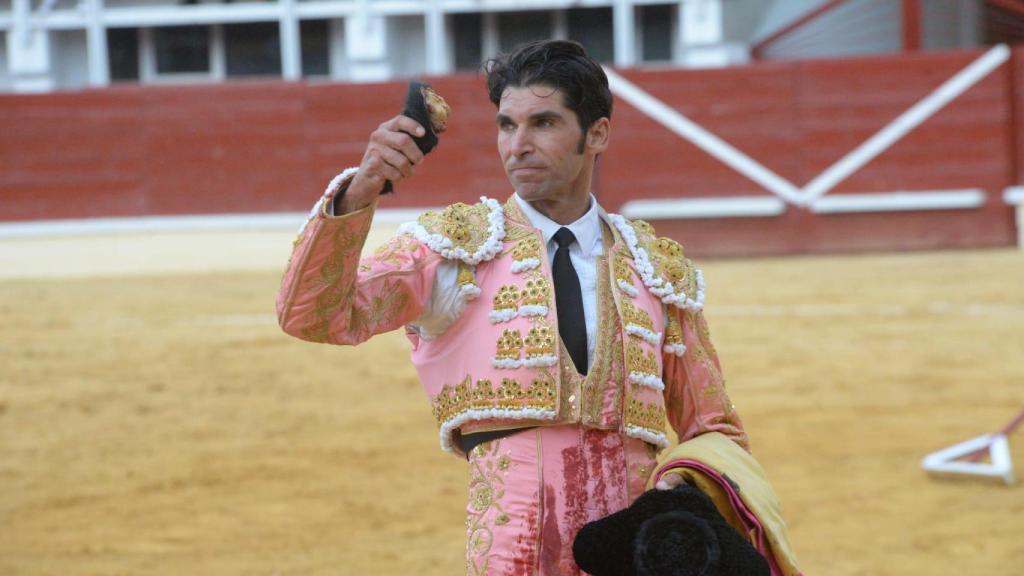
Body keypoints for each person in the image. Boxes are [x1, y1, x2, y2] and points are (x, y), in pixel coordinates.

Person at [277, 40, 800, 576]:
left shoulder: (656, 268)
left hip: (629, 550)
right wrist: (359, 192)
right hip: (513, 554)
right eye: (507, 125)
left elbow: (714, 428)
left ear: (596, 134)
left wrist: (680, 490)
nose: (518, 145)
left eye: (543, 123)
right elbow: (315, 315)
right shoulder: (455, 247)